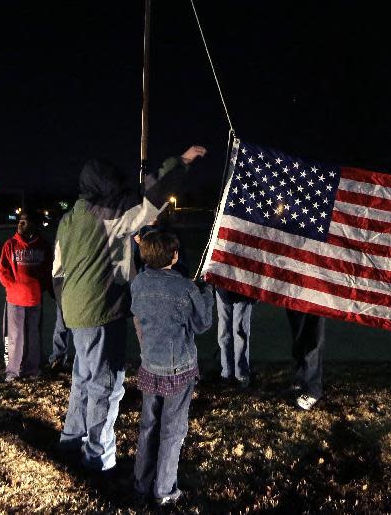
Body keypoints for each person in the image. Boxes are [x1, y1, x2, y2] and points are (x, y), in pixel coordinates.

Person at [53, 144, 206, 472]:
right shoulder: (110, 215)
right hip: (101, 311)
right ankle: (98, 457)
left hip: (74, 311)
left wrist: (68, 304)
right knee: (105, 385)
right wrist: (181, 162)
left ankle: (71, 438)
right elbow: (152, 203)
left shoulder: (68, 219)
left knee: (83, 377)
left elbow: (58, 270)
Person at [130, 230, 214, 506]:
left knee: (148, 425)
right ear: (174, 255)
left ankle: (141, 482)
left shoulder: (139, 282)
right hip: (178, 366)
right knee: (172, 430)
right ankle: (164, 489)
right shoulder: (185, 288)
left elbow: (139, 316)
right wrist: (207, 293)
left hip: (149, 363)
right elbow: (202, 323)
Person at [0, 211, 53, 382]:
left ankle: (33, 369)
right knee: (14, 336)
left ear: (34, 224)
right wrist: (13, 287)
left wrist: (40, 288)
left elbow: (48, 270)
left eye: (25, 221)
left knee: (33, 336)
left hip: (35, 299)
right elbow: (2, 271)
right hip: (15, 300)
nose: (20, 224)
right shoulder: (10, 244)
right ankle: (12, 371)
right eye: (20, 221)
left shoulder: (43, 245)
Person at [215, 287, 256, 387]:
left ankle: (241, 374)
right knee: (224, 332)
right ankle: (227, 373)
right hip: (223, 286)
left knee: (240, 332)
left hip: (243, 287)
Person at [287, 309, 325, 410]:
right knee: (298, 337)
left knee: (314, 338)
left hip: (317, 297)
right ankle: (299, 380)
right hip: (297, 296)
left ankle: (313, 390)